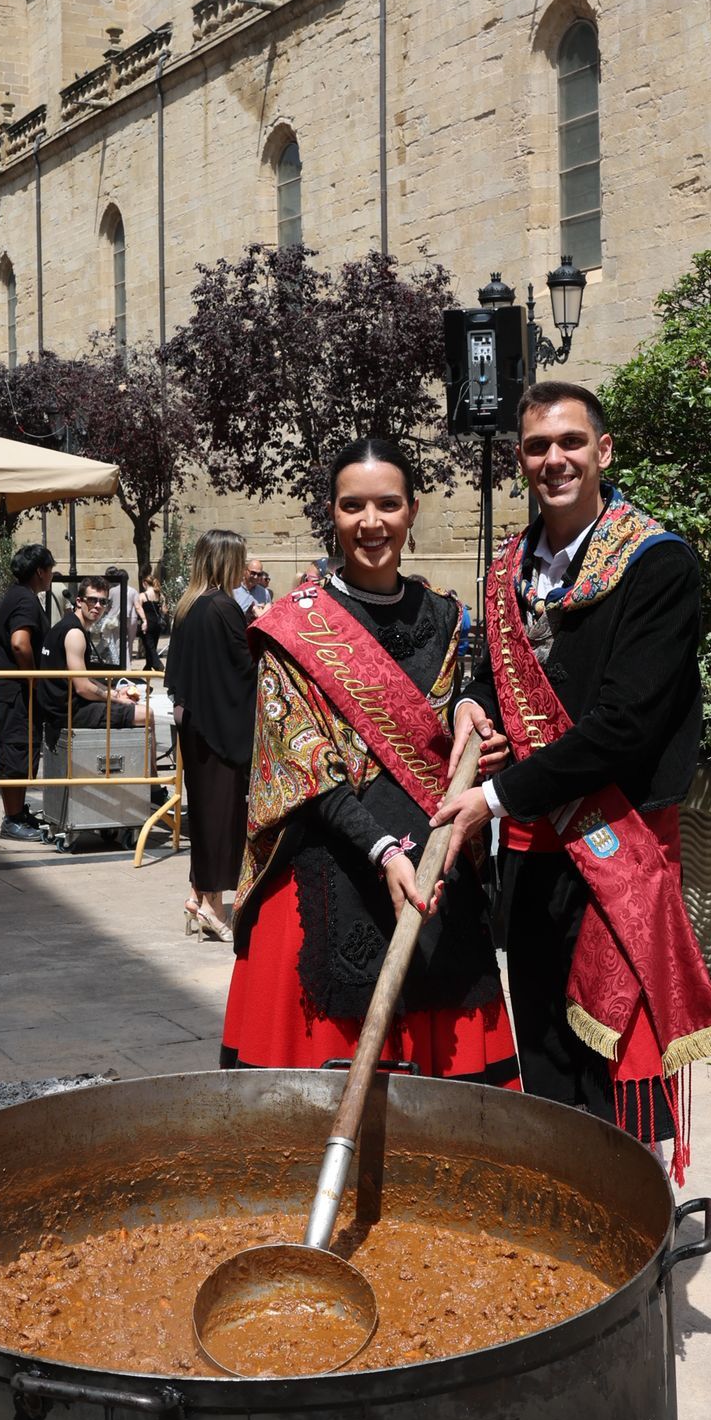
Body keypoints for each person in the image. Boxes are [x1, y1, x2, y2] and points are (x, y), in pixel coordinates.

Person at [435, 380, 711, 1181]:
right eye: (537, 447)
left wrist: (491, 798)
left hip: (615, 849)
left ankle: (636, 1260)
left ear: (603, 452)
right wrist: (468, 704)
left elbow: (623, 728)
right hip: (531, 858)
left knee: (617, 1082)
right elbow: (491, 674)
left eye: (570, 443)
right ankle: (572, 1246)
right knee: (549, 1068)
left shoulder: (658, 565)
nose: (553, 460)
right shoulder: (507, 571)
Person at [220, 440, 519, 1085]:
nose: (371, 522)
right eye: (353, 506)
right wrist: (383, 852)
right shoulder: (293, 624)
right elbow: (302, 765)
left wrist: (470, 704)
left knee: (450, 1123)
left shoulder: (448, 617)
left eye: (388, 504)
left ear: (412, 511)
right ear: (332, 513)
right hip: (330, 862)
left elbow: (469, 698)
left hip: (435, 870)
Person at [165, 530, 256, 940]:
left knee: (203, 814)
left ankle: (195, 892)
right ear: (225, 562)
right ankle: (214, 906)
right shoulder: (223, 606)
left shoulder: (190, 606)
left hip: (196, 725)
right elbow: (245, 667)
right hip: (221, 728)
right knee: (221, 817)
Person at [0, 543, 54, 844]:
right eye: (50, 569)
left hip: (8, 688)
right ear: (40, 571)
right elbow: (19, 643)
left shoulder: (17, 595)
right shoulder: (26, 601)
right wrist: (33, 678)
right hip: (15, 691)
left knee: (21, 749)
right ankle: (11, 819)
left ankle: (17, 812)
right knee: (16, 750)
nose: (52, 575)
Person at [40, 577, 159, 746]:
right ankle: (151, 773)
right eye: (92, 600)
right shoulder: (75, 634)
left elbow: (84, 680)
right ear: (79, 601)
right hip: (68, 712)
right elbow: (82, 687)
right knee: (146, 714)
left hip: (62, 707)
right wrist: (117, 699)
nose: (97, 606)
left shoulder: (66, 626)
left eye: (103, 602)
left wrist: (115, 692)